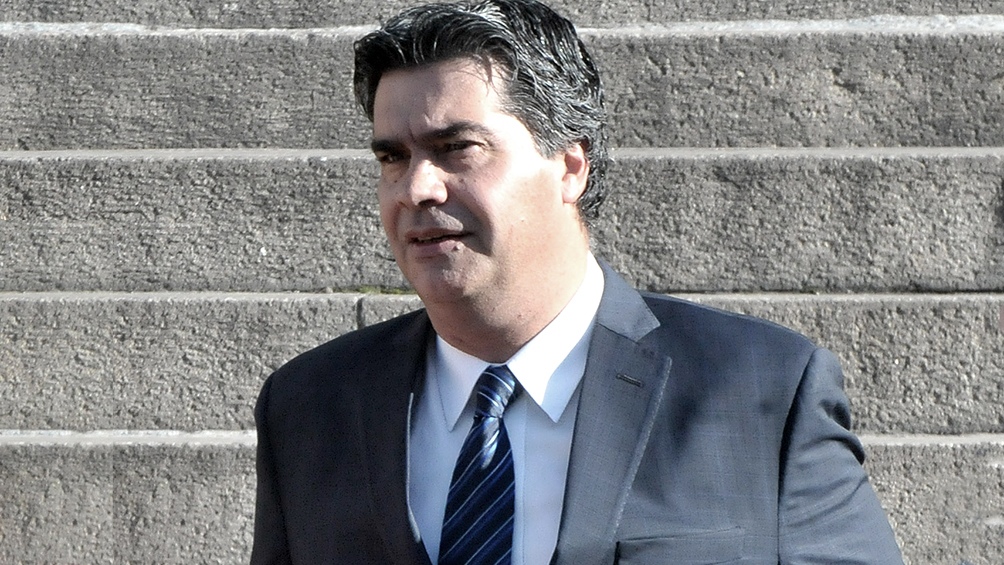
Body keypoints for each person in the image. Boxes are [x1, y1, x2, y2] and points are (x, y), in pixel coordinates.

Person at [250, 0, 905, 563]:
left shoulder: (763, 390)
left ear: (570, 166)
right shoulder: (308, 407)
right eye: (393, 157)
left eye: (457, 149)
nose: (417, 187)